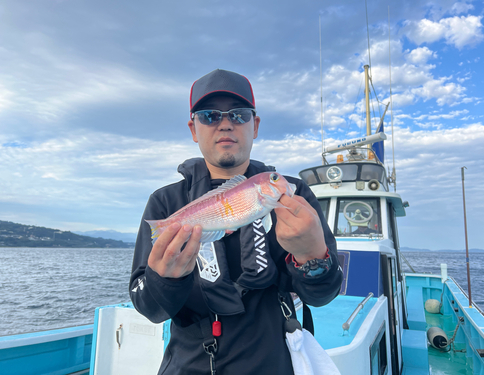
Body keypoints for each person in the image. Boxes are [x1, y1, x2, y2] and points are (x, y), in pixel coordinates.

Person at [129, 69, 343, 375]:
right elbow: (151, 310)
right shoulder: (166, 205)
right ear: (193, 128)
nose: (226, 123)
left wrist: (312, 256)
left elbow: (322, 295)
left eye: (239, 115)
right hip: (187, 365)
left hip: (272, 363)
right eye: (210, 115)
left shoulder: (293, 198)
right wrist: (164, 280)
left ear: (254, 126)